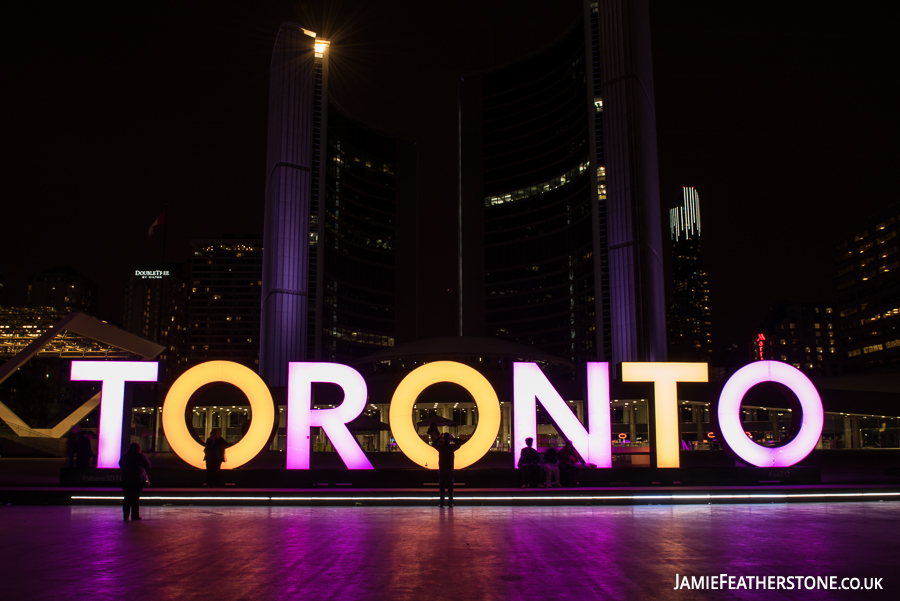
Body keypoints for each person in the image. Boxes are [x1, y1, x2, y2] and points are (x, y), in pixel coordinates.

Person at [119, 442, 151, 521]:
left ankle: (126, 516)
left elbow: (120, 464)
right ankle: (135, 515)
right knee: (135, 498)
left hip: (126, 479)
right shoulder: (141, 456)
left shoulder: (125, 456)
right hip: (137, 480)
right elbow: (148, 465)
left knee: (127, 498)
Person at [436, 432, 460, 507]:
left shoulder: (440, 447)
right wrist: (453, 438)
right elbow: (459, 445)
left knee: (442, 487)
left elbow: (433, 444)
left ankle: (442, 502)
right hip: (450, 469)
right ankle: (450, 503)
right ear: (449, 438)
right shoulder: (451, 447)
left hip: (442, 469)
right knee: (450, 487)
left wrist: (439, 437)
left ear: (443, 438)